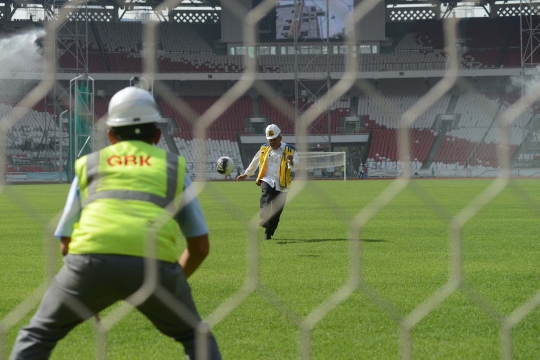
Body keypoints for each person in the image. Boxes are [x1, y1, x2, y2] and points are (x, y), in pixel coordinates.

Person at [10, 87, 221, 360]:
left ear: (109, 134)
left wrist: (84, 288)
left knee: (38, 335)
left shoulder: (90, 164)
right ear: (157, 133)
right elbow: (200, 246)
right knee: (196, 337)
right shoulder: (174, 167)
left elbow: (65, 241)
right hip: (154, 266)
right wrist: (171, 283)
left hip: (88, 263)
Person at [237, 124, 298, 240]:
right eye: (270, 140)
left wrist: (290, 161)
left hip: (282, 184)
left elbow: (296, 164)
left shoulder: (290, 150)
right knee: (266, 195)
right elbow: (255, 161)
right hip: (267, 179)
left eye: (274, 139)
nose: (272, 142)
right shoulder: (264, 149)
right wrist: (246, 174)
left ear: (280, 138)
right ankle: (263, 218)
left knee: (276, 213)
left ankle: (268, 232)